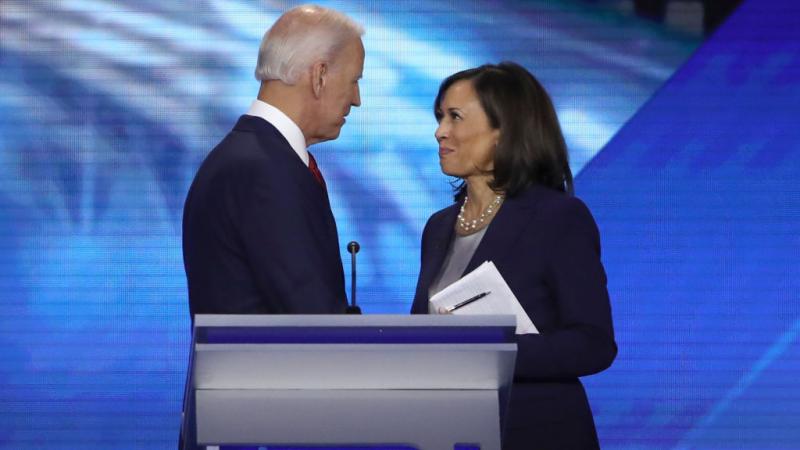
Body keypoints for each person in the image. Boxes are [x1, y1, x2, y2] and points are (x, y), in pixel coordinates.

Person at [411, 62, 617, 449]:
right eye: (440, 117)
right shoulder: (438, 227)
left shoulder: (558, 218)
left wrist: (490, 348)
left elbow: (594, 343)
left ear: (504, 131)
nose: (440, 131)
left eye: (455, 117)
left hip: (533, 431)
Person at [182, 5, 364, 319]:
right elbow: (312, 320)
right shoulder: (263, 170)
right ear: (319, 75)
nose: (357, 98)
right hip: (274, 368)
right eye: (353, 81)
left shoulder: (248, 156)